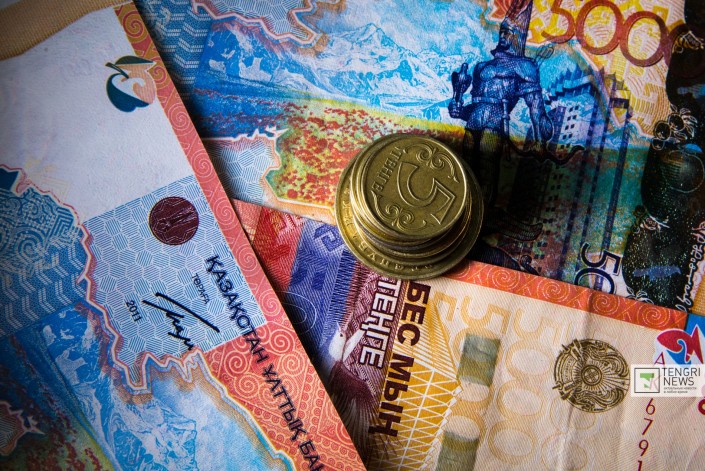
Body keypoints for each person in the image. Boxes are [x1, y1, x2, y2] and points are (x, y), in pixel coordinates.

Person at [449, 0, 553, 206]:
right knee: (464, 169)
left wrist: (540, 139)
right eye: (502, 31)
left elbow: (535, 105)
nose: (503, 36)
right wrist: (458, 110)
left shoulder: (525, 67)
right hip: (473, 122)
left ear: (518, 36)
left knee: (486, 169)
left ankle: (483, 213)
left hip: (495, 123)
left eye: (509, 32)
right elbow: (475, 103)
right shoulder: (481, 66)